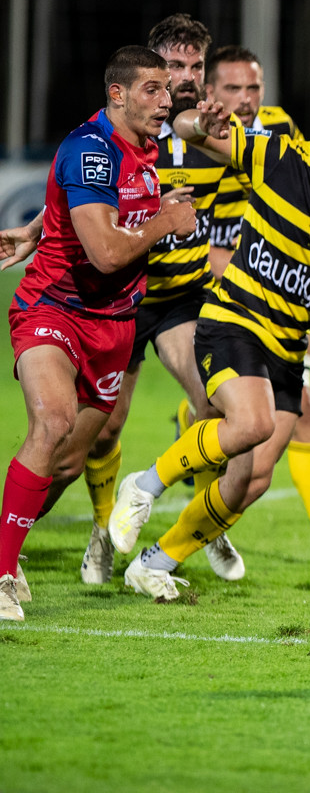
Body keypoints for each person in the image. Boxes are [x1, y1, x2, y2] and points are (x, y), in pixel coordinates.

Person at [107, 87, 310, 601]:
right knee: (252, 424)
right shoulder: (279, 156)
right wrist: (203, 119)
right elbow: (188, 130)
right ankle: (144, 485)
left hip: (288, 347)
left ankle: (155, 562)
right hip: (234, 319)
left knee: (252, 479)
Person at [0, 46, 197, 621]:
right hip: (54, 309)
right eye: (153, 90)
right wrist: (165, 221)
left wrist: (41, 227)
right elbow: (108, 252)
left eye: (167, 91)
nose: (165, 101)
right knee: (53, 421)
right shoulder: (91, 148)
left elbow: (98, 206)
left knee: (67, 461)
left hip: (113, 325)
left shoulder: (145, 149)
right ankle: (1, 571)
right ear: (117, 94)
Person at [77, 14, 243, 587]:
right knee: (103, 429)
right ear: (153, 74)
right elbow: (84, 200)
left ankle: (204, 520)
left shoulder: (208, 131)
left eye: (197, 66)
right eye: (175, 67)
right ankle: (103, 531)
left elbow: (205, 129)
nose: (189, 77)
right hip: (124, 296)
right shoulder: (123, 136)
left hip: (182, 297)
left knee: (217, 405)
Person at [196, 44, 310, 571]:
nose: (246, 101)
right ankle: (153, 510)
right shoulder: (187, 140)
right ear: (210, 94)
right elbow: (177, 234)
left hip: (267, 291)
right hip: (200, 289)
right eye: (233, 90)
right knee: (228, 424)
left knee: (292, 419)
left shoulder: (279, 129)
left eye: (254, 88)